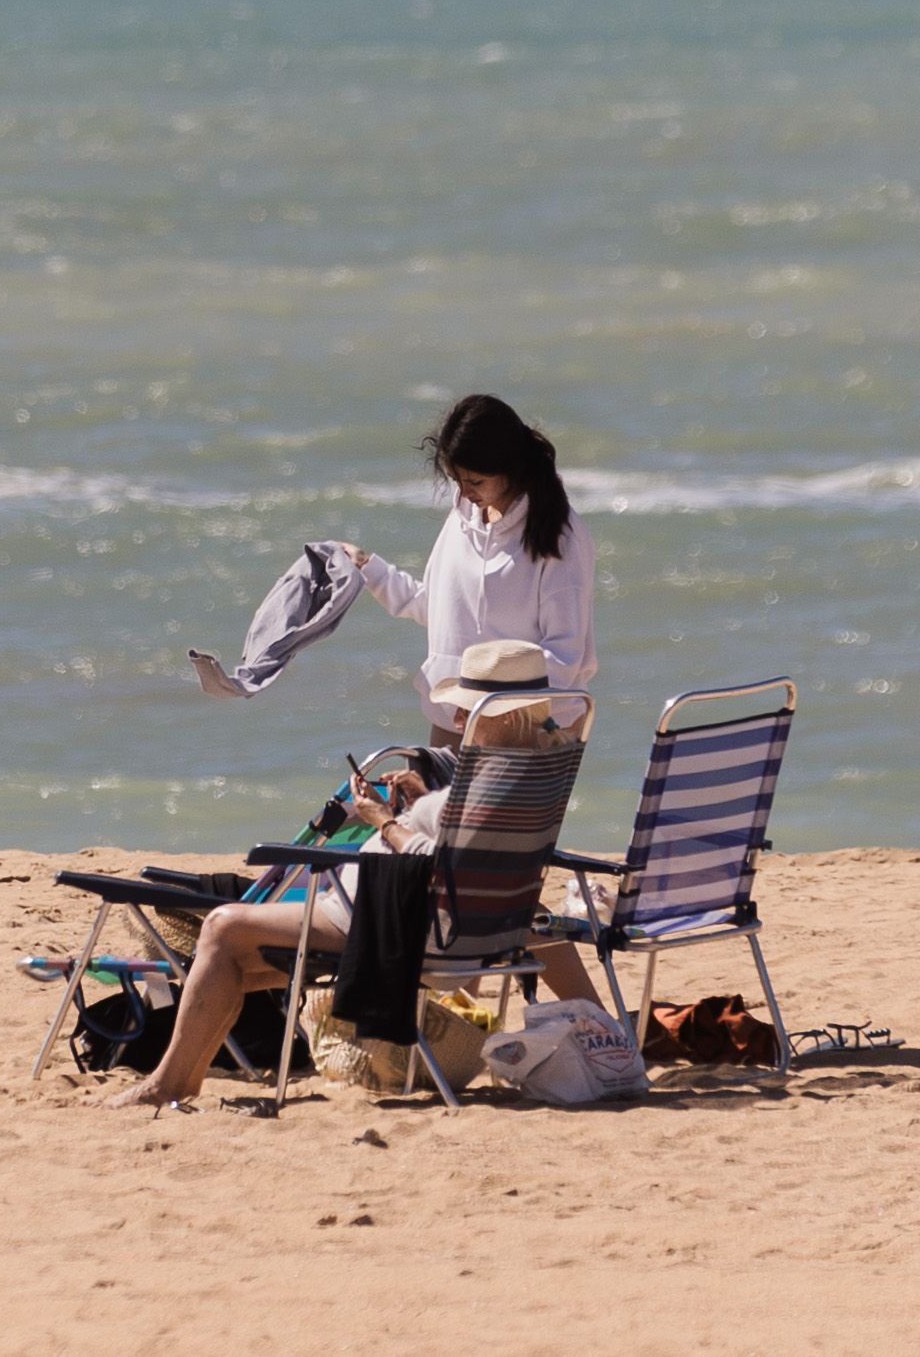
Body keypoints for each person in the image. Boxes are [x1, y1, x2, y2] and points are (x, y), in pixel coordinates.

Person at [103, 759, 601, 1110]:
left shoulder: (481, 783)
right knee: (238, 958)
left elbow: (429, 864)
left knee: (223, 927)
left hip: (393, 923)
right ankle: (179, 1079)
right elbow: (463, 860)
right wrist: (425, 804)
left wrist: (383, 820)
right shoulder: (531, 779)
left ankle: (169, 1082)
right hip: (482, 922)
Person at [331, 393, 596, 746]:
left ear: (509, 468)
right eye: (458, 481)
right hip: (453, 714)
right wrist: (368, 568)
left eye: (476, 482)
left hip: (532, 725)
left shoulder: (559, 537)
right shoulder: (462, 521)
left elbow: (565, 657)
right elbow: (438, 608)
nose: (465, 492)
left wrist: (491, 704)